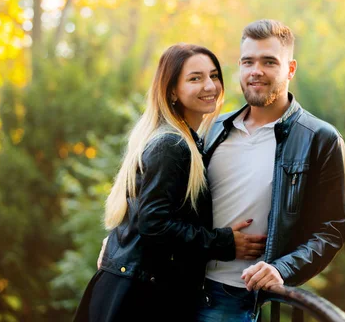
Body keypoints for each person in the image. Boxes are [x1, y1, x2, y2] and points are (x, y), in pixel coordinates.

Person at [74, 44, 266, 322]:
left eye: (213, 76)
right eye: (195, 78)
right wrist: (221, 242)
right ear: (172, 91)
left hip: (139, 289)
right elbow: (154, 224)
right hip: (137, 298)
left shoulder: (185, 138)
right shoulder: (172, 144)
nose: (210, 86)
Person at [196, 19, 345, 321]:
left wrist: (281, 268)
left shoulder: (320, 138)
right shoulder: (211, 128)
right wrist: (125, 235)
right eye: (248, 61)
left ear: (290, 69)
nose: (256, 71)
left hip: (238, 298)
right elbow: (167, 198)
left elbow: (330, 231)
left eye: (269, 62)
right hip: (177, 288)